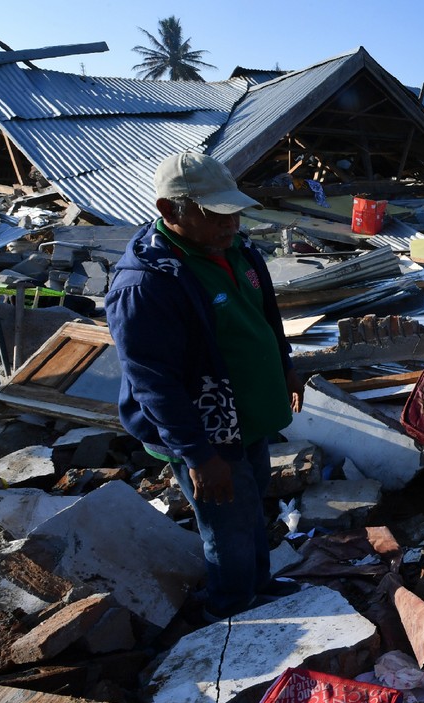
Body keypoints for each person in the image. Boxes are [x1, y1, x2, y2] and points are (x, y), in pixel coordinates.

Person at [106, 151, 306, 622]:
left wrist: (285, 366)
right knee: (227, 525)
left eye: (233, 210)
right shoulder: (146, 283)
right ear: (169, 210)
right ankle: (232, 613)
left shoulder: (238, 249)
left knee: (253, 506)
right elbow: (153, 381)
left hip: (249, 418)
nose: (230, 223)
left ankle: (258, 584)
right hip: (207, 432)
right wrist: (198, 455)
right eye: (215, 214)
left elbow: (265, 317)